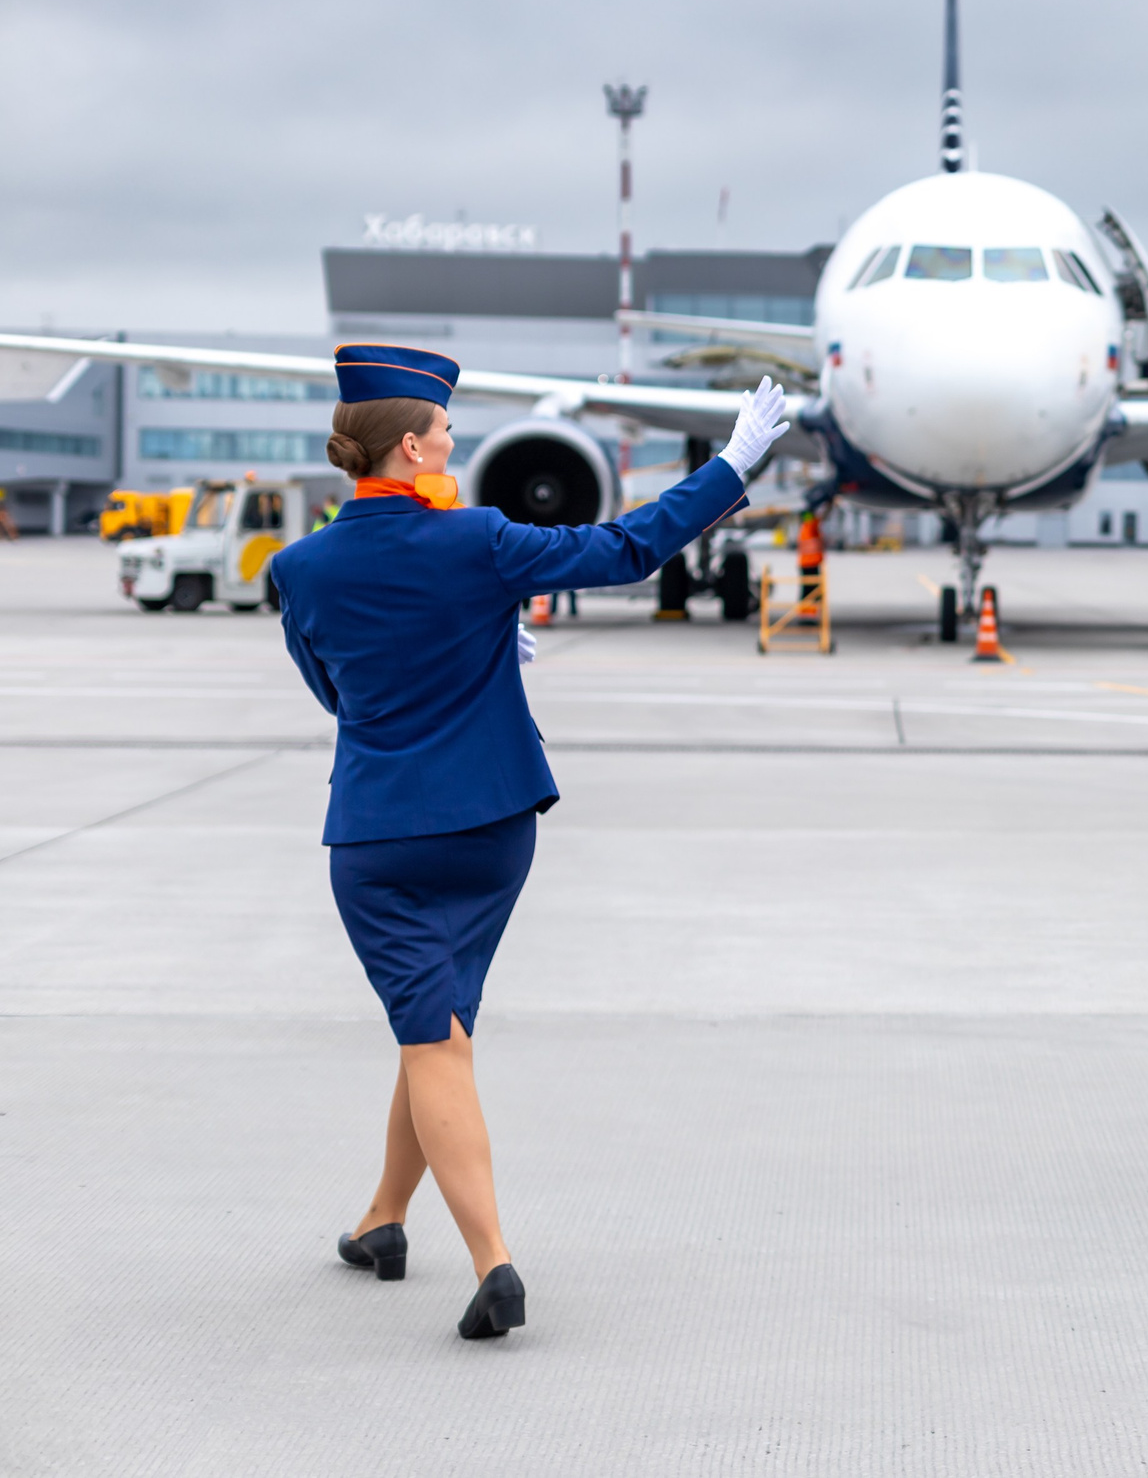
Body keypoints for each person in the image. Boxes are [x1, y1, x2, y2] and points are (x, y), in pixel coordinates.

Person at [268, 343, 791, 1341]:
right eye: (449, 434)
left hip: (381, 836)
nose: (456, 446)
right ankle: (382, 1220)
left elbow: (337, 693)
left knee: (430, 1036)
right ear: (412, 447)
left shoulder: (299, 570)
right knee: (439, 1033)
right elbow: (630, 548)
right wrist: (732, 465)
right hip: (494, 829)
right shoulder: (484, 543)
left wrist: (462, 649)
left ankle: (493, 1262)